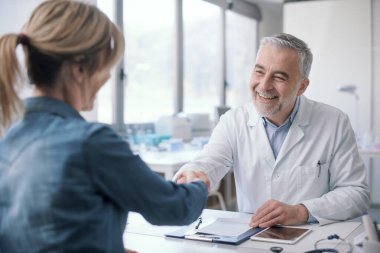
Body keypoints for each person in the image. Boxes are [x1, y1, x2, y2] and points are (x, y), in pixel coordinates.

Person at [0, 1, 209, 252]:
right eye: (105, 67)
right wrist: (199, 185)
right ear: (79, 70)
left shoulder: (10, 137)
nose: (108, 77)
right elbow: (175, 207)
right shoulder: (90, 142)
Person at [176, 33, 370, 227]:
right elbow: (209, 162)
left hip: (311, 238)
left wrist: (302, 211)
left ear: (302, 86)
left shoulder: (334, 122)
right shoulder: (233, 122)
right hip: (251, 239)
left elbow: (356, 193)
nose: (264, 85)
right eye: (259, 72)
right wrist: (195, 173)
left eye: (279, 77)